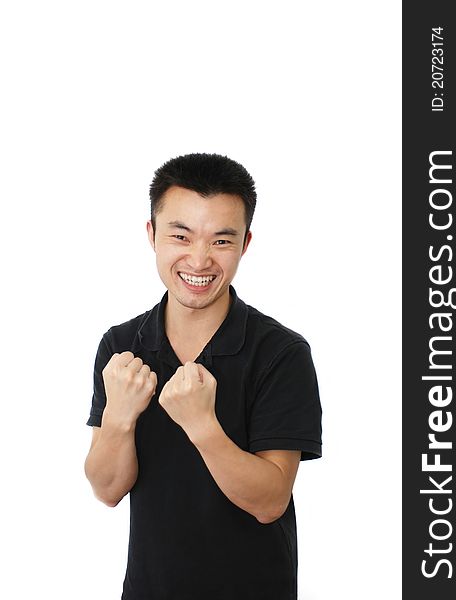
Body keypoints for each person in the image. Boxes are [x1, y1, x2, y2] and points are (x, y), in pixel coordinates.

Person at [84, 152, 322, 600]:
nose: (199, 260)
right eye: (181, 235)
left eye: (220, 241)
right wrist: (119, 417)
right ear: (152, 235)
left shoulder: (281, 353)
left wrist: (201, 424)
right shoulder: (121, 346)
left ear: (245, 243)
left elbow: (271, 501)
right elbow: (107, 489)